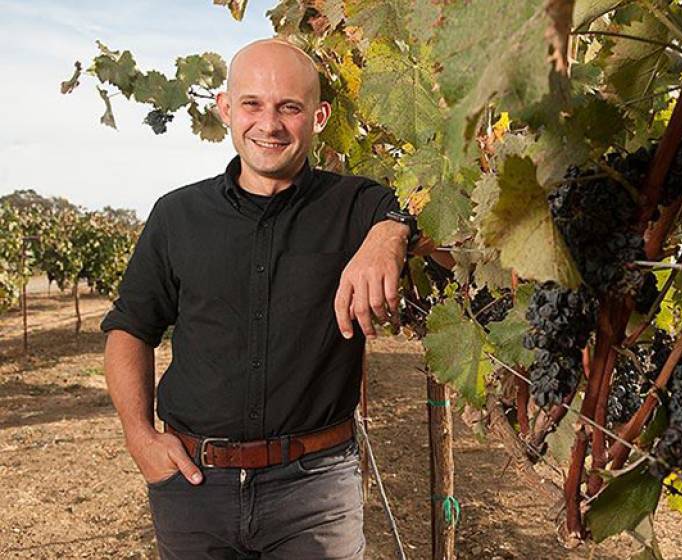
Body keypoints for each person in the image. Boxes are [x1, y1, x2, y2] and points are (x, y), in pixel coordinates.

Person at [100, 38, 439, 559]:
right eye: (253, 104)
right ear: (226, 108)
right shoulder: (176, 216)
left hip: (316, 491)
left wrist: (389, 235)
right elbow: (130, 328)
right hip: (194, 488)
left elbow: (429, 215)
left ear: (319, 116)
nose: (270, 123)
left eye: (290, 107)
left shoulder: (359, 205)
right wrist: (139, 438)